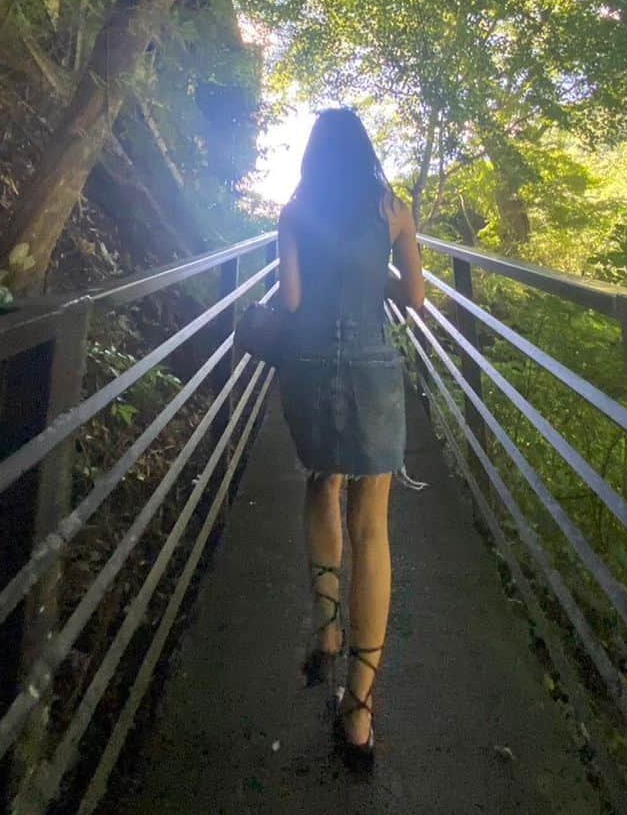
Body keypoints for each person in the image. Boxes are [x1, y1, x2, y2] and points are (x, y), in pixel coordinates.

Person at [274, 107, 425, 765]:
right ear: (364, 152)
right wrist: (376, 273)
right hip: (372, 370)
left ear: (313, 156)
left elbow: (292, 302)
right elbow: (414, 299)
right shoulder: (394, 208)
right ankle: (359, 711)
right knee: (373, 523)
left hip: (309, 367)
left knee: (320, 483)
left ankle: (328, 627)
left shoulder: (295, 211)